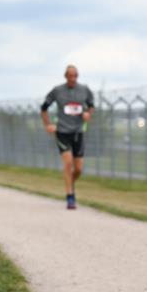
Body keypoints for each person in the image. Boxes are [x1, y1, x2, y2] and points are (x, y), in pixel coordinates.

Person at [41, 65, 95, 209]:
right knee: (68, 163)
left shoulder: (84, 90)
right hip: (62, 132)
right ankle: (70, 196)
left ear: (78, 76)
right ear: (66, 76)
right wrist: (48, 125)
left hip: (78, 132)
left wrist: (88, 113)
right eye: (70, 76)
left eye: (75, 76)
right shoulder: (58, 91)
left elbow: (91, 106)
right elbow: (44, 108)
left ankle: (69, 183)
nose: (73, 79)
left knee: (78, 169)